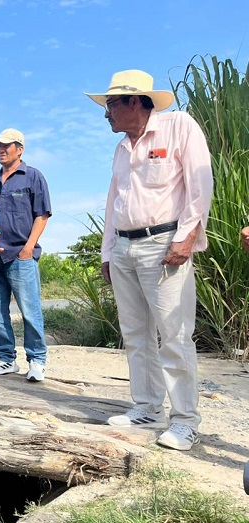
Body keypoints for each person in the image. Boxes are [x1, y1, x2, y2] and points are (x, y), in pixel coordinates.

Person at [86, 69, 213, 451]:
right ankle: (147, 407)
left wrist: (187, 235)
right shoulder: (122, 147)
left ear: (134, 102)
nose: (106, 114)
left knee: (173, 334)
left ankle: (186, 420)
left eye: (110, 105)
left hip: (164, 244)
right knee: (136, 333)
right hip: (124, 247)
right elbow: (114, 203)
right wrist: (108, 251)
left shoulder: (178, 127)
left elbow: (199, 183)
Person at [0, 129, 52, 382]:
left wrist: (28, 248)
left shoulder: (32, 177)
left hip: (21, 255)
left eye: (5, 145)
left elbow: (42, 215)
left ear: (19, 148)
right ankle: (5, 359)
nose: (0, 150)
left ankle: (37, 360)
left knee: (30, 311)